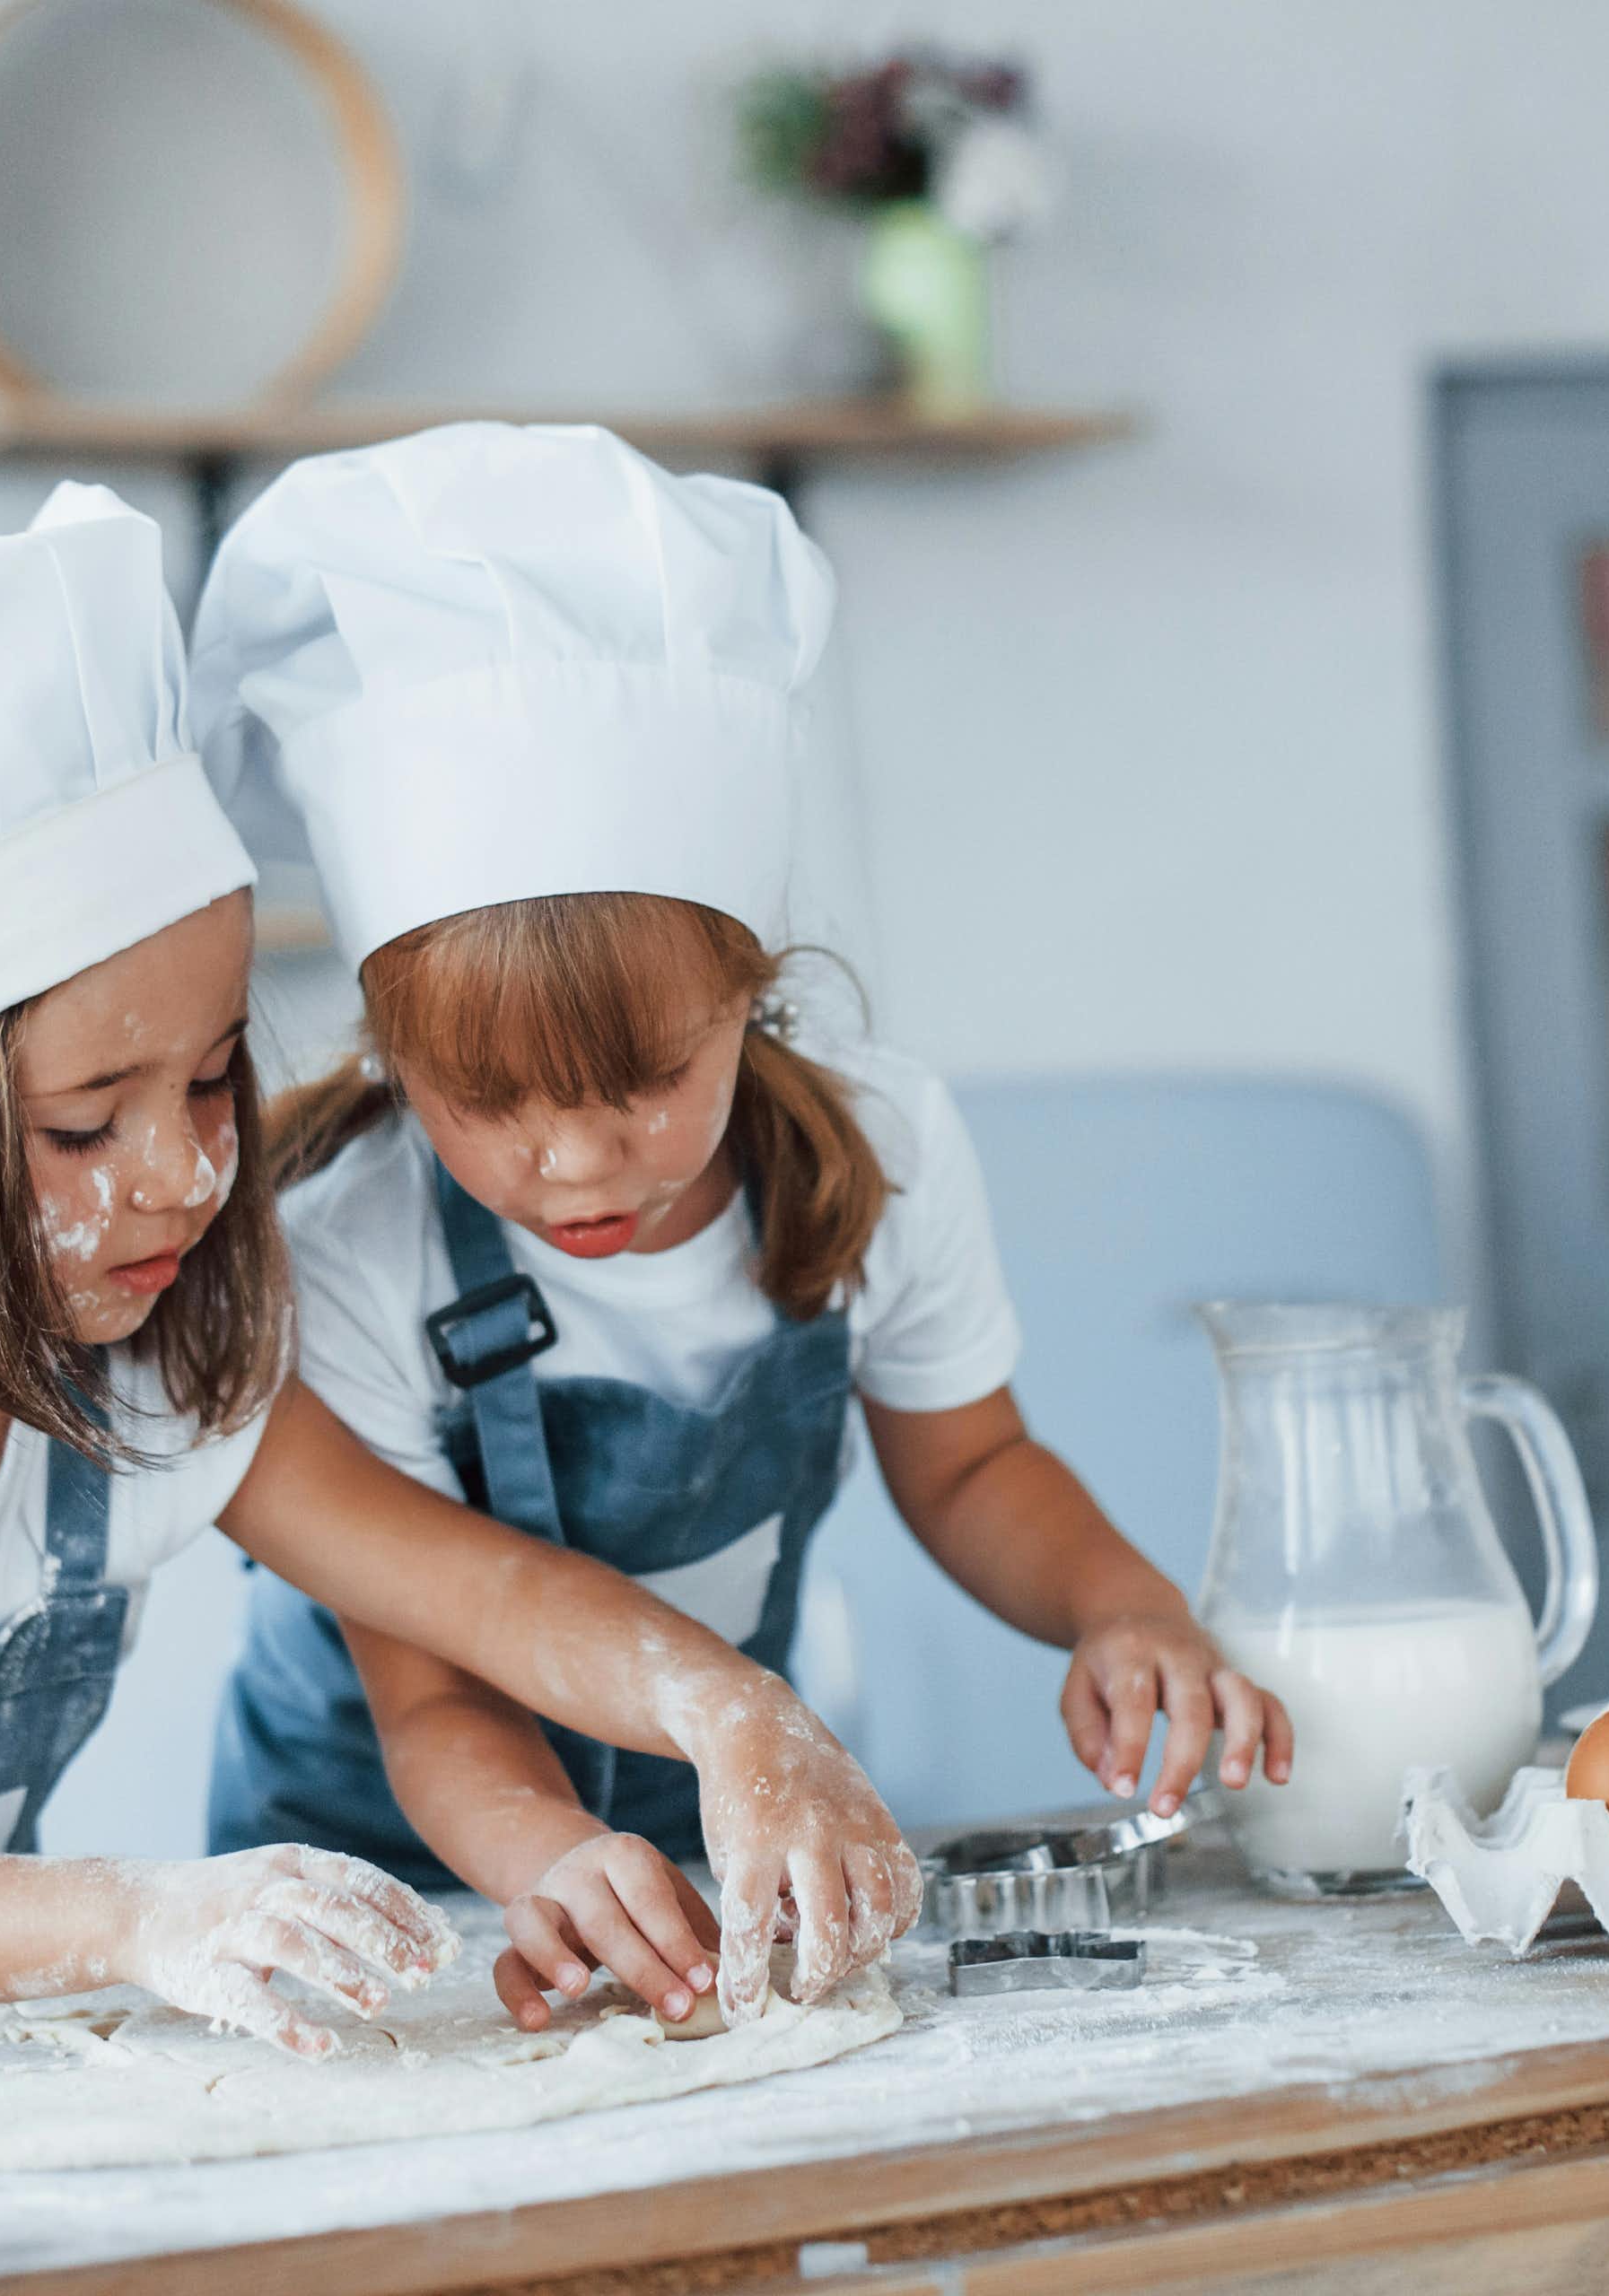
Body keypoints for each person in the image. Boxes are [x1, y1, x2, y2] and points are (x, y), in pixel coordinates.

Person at [0, 484, 915, 2041]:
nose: (189, 1170)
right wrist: (146, 1914)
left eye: (211, 1083)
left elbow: (491, 1594)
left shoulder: (150, 1395)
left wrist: (730, 1713)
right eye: (85, 1126)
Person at [189, 423, 1293, 2032]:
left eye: (644, 1077)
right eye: (486, 1099)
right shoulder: (358, 1252)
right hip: (382, 1895)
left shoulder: (878, 1153)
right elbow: (432, 1688)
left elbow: (973, 1465)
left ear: (749, 990)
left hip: (685, 1841)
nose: (575, 1161)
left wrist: (1122, 1606)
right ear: (388, 1054)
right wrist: (553, 1856)